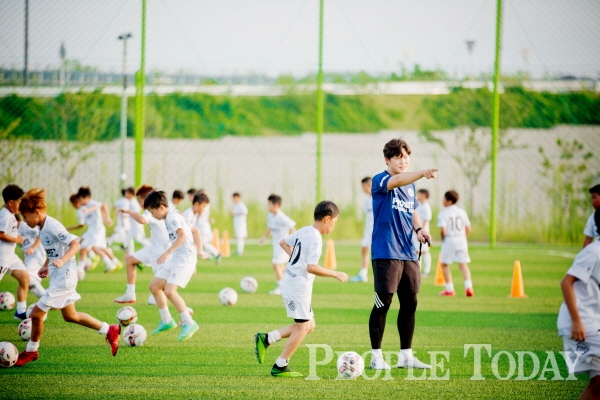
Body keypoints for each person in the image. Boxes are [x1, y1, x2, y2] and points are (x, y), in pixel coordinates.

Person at [15, 188, 120, 367]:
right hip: (59, 277)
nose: (25, 220)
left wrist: (62, 260)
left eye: (25, 216)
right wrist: (46, 264)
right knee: (71, 316)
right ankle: (109, 329)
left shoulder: (52, 226)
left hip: (64, 278)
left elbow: (75, 244)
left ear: (36, 212)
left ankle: (31, 351)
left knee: (35, 315)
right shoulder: (42, 227)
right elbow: (53, 249)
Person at [254, 201, 348, 377]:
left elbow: (283, 242)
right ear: (327, 219)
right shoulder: (316, 238)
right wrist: (335, 273)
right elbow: (311, 267)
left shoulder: (305, 230)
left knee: (309, 325)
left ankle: (267, 338)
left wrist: (295, 259)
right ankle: (280, 365)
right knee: (303, 327)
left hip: (293, 282)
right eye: (334, 222)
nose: (334, 226)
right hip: (297, 287)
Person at [368, 138, 437, 370]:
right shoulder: (380, 180)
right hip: (386, 251)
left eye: (406, 157)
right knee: (383, 303)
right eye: (398, 157)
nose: (403, 161)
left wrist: (419, 229)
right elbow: (397, 180)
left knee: (410, 302)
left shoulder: (410, 186)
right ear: (387, 160)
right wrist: (423, 173)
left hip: (408, 252)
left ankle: (406, 356)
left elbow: (412, 210)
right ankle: (376, 357)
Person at [145, 190, 199, 341]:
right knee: (154, 286)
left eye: (152, 212)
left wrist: (167, 252)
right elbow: (192, 231)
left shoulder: (171, 217)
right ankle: (167, 320)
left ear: (161, 207)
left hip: (184, 259)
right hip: (177, 258)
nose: (152, 216)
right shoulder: (174, 215)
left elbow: (183, 235)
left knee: (169, 291)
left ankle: (189, 323)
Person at [558, 208, 600, 400]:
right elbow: (566, 282)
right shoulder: (594, 251)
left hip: (592, 321)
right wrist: (576, 321)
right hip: (582, 323)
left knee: (598, 385)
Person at [113, 185, 170, 305]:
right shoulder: (157, 209)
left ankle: (185, 310)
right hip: (153, 249)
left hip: (160, 252)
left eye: (140, 201)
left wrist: (129, 211)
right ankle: (130, 293)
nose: (139, 204)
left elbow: (142, 220)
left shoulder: (150, 211)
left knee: (163, 287)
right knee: (130, 261)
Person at [0, 184, 30, 320]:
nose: (21, 205)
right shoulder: (4, 215)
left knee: (25, 278)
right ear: (10, 202)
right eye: (19, 202)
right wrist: (17, 240)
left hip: (10, 256)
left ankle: (20, 312)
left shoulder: (11, 214)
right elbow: (0, 234)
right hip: (2, 256)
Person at [76, 187, 122, 275]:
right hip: (91, 231)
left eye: (80, 199)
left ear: (85, 197)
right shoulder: (83, 208)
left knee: (95, 248)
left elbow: (103, 205)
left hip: (97, 230)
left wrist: (107, 218)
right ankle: (80, 268)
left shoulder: (91, 203)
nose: (79, 201)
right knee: (83, 248)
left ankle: (110, 264)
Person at [437, 190, 473, 297]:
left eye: (444, 199)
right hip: (461, 240)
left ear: (449, 201)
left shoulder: (443, 213)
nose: (442, 201)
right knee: (463, 265)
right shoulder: (462, 212)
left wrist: (443, 240)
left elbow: (443, 230)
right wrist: (463, 237)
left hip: (450, 239)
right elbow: (468, 228)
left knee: (444, 264)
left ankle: (449, 289)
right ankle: (468, 287)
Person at [259, 194, 296, 295]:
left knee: (276, 265)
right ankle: (292, 282)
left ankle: (281, 287)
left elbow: (292, 227)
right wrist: (264, 238)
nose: (268, 207)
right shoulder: (270, 216)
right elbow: (271, 228)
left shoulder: (281, 217)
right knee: (281, 267)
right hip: (276, 245)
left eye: (269, 204)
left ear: (276, 205)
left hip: (283, 246)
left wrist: (291, 244)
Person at [350, 177, 373, 283]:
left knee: (378, 252)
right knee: (364, 250)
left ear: (369, 186)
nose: (363, 189)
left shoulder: (380, 198)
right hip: (368, 230)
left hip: (377, 230)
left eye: (363, 187)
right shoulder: (367, 200)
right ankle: (363, 274)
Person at [18, 216, 47, 298]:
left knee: (26, 277)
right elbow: (24, 248)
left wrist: (32, 248)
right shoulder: (13, 231)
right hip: (28, 259)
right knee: (27, 283)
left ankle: (46, 298)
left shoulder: (25, 226)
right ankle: (45, 299)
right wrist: (24, 260)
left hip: (37, 256)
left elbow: (40, 235)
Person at [192, 193, 221, 261]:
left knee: (203, 243)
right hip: (202, 228)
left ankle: (216, 253)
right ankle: (212, 254)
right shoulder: (192, 213)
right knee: (202, 243)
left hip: (203, 229)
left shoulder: (203, 209)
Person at [413, 189, 432, 277]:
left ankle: (427, 271)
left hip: (422, 232)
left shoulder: (426, 207)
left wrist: (421, 230)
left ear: (424, 195)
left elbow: (425, 220)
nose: (417, 195)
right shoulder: (418, 205)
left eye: (419, 194)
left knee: (425, 251)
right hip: (415, 232)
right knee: (417, 251)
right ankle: (418, 270)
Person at [583, 177, 600, 248]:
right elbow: (588, 239)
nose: (592, 201)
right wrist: (585, 252)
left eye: (594, 198)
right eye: (592, 198)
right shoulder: (593, 217)